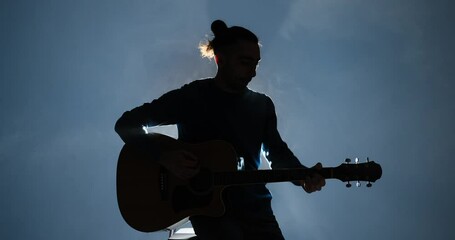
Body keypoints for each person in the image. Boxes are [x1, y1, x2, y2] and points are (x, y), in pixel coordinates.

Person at [115, 20, 325, 240]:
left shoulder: (262, 106)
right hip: (210, 215)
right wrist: (163, 156)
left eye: (256, 64)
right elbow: (127, 125)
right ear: (220, 59)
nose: (253, 72)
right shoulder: (193, 96)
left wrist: (303, 176)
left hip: (256, 210)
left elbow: (278, 153)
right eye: (245, 62)